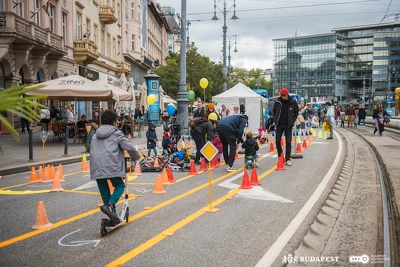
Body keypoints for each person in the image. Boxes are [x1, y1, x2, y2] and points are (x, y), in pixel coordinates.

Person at [90, 109, 140, 225]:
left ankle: (112, 215)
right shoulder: (116, 132)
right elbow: (129, 147)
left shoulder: (95, 134)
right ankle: (111, 205)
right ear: (113, 122)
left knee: (104, 190)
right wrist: (136, 157)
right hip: (111, 165)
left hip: (96, 167)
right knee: (120, 185)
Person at [272, 88, 299, 166]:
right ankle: (280, 156)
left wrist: (292, 121)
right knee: (277, 141)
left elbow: (296, 112)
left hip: (288, 125)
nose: (284, 97)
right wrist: (275, 119)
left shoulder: (292, 102)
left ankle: (287, 159)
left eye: (285, 95)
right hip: (279, 124)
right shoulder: (278, 102)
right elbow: (274, 111)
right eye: (282, 96)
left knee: (288, 142)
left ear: (287, 94)